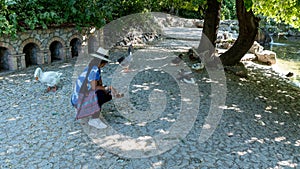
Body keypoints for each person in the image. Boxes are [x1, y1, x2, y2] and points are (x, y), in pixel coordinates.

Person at [71, 47, 122, 129]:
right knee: (101, 94)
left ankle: (87, 110)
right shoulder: (94, 70)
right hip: (79, 100)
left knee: (107, 93)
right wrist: (109, 88)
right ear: (102, 63)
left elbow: (99, 84)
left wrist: (109, 89)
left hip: (77, 98)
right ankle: (94, 119)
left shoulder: (93, 67)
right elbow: (95, 87)